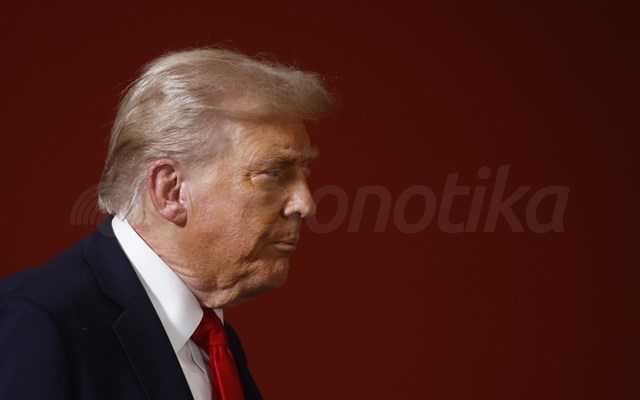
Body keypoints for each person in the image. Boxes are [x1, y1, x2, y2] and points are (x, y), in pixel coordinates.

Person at [0, 48, 332, 400]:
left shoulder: (213, 340)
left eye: (303, 173)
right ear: (171, 191)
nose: (305, 203)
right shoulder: (35, 326)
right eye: (273, 174)